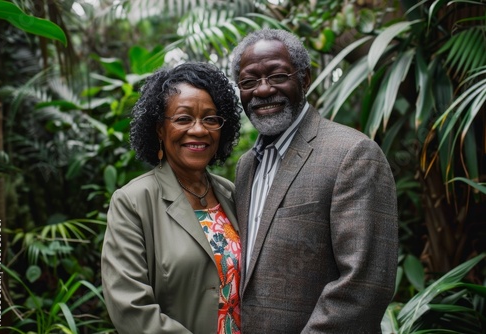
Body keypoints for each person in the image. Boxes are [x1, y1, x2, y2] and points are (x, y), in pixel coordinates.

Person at [230, 29, 399, 333]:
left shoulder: (352, 154)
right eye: (249, 81)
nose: (263, 90)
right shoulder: (245, 167)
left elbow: (363, 285)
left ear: (304, 79)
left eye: (277, 76)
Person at [101, 62, 243, 334]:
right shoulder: (132, 202)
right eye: (183, 118)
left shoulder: (231, 194)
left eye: (211, 119)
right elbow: (131, 309)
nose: (199, 130)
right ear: (159, 129)